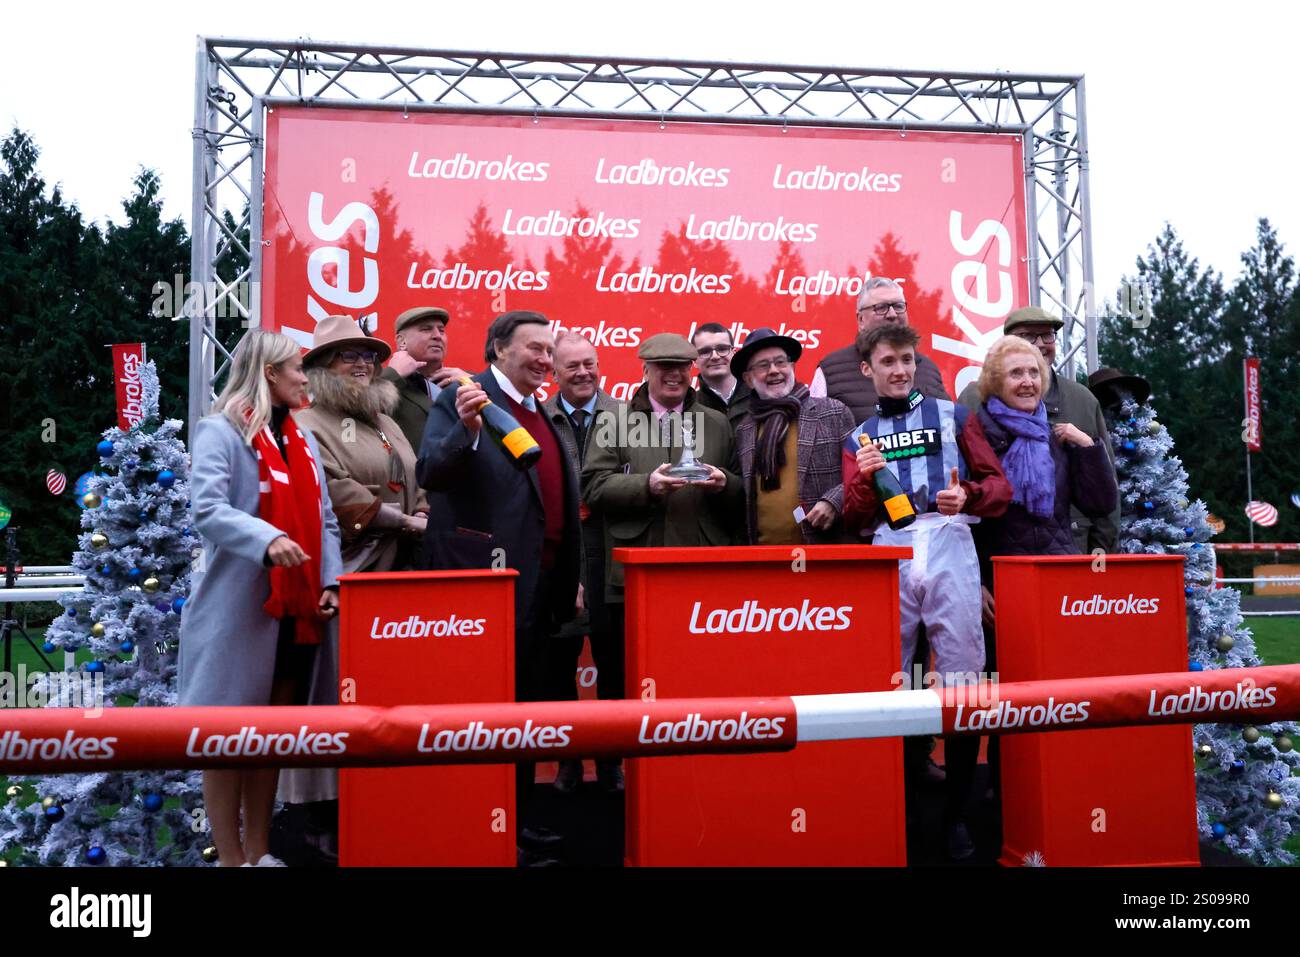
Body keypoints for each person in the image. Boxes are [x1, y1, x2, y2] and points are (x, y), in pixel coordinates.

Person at [416, 309, 581, 866]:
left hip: (544, 582)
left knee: (525, 711)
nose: (544, 358)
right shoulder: (466, 398)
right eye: (533, 348)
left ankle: (514, 818)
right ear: (498, 349)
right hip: (486, 584)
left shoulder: (543, 409)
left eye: (548, 349)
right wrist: (465, 432)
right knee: (487, 711)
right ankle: (484, 830)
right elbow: (430, 473)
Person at [841, 323, 1011, 861]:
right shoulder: (859, 435)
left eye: (907, 360)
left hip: (948, 541)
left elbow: (1000, 488)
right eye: (888, 361)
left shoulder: (955, 416)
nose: (899, 370)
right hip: (889, 547)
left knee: (964, 678)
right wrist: (865, 481)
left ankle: (956, 816)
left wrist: (970, 495)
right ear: (868, 369)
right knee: (890, 677)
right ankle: (890, 808)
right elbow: (854, 514)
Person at [178, 330, 343, 867]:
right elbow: (206, 509)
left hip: (297, 616)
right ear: (270, 372)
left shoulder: (304, 437)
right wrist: (266, 539)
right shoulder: (218, 431)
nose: (304, 377)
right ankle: (230, 860)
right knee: (226, 745)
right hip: (238, 615)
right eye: (297, 367)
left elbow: (324, 520)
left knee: (270, 739)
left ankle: (260, 853)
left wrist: (331, 581)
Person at [582, 334, 743, 610]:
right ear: (646, 371)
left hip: (701, 568)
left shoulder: (717, 422)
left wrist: (724, 484)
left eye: (682, 366)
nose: (674, 374)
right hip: (637, 567)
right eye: (664, 365)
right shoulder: (614, 421)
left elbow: (742, 492)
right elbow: (594, 486)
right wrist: (647, 485)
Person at [957, 306, 1119, 554]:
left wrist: (1088, 447)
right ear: (997, 380)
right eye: (1028, 336)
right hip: (999, 568)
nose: (1040, 344)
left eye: (1047, 335)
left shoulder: (1079, 402)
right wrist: (976, 578)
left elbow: (1103, 503)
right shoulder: (975, 417)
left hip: (1062, 559)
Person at [542, 332, 625, 794]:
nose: (583, 373)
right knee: (558, 668)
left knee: (615, 667)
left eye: (589, 363)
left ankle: (612, 761)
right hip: (562, 560)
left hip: (613, 555)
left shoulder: (628, 417)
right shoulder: (539, 417)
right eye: (571, 366)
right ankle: (569, 761)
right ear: (554, 372)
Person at [730, 327, 855, 545]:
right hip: (763, 559)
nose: (774, 370)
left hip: (823, 550)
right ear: (748, 379)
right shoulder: (745, 429)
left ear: (792, 367)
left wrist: (834, 502)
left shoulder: (833, 412)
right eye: (763, 365)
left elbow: (861, 472)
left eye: (780, 362)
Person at [811, 276, 949, 422]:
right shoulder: (830, 371)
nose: (892, 314)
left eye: (898, 306)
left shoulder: (929, 369)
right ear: (861, 319)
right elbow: (811, 433)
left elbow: (950, 427)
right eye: (881, 308)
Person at [381, 306, 470, 455]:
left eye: (441, 330)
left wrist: (474, 383)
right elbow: (357, 411)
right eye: (426, 329)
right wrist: (393, 375)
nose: (437, 336)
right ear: (401, 341)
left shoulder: (467, 380)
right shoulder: (386, 382)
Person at [690, 322, 752, 429]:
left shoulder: (760, 397)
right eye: (705, 351)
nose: (715, 356)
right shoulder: (688, 408)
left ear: (734, 353)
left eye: (722, 349)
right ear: (694, 361)